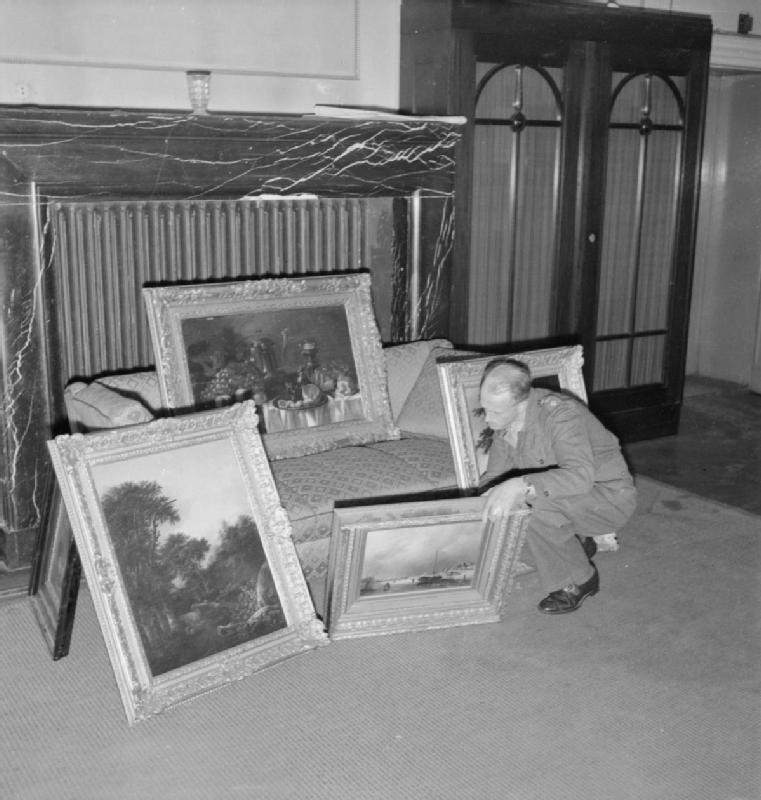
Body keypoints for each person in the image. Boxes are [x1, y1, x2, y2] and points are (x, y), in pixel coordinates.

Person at [479, 357, 636, 615]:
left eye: (494, 412)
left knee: (526, 501)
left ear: (520, 403)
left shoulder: (560, 415)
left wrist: (521, 485)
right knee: (507, 525)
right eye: (485, 409)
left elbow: (579, 477)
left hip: (606, 497)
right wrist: (485, 496)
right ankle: (578, 543)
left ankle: (579, 580)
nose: (487, 419)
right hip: (567, 500)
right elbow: (495, 475)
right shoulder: (507, 420)